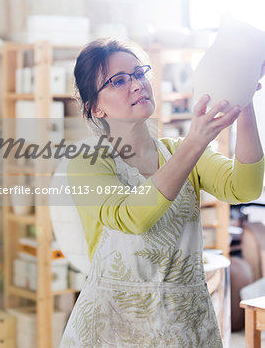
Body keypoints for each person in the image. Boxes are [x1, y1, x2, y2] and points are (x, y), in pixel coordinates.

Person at [59, 39, 264, 347]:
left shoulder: (178, 150)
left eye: (139, 73)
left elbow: (244, 186)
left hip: (187, 326)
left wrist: (244, 102)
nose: (137, 84)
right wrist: (195, 142)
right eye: (118, 80)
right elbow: (131, 217)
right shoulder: (87, 161)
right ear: (95, 107)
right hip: (113, 328)